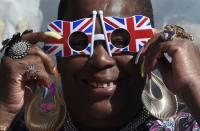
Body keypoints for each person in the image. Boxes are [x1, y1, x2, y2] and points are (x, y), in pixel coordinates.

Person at [0, 0, 200, 131]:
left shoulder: (189, 122)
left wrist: (194, 87)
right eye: (78, 42)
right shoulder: (17, 123)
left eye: (121, 40)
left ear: (152, 48)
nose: (101, 59)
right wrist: (5, 111)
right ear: (57, 56)